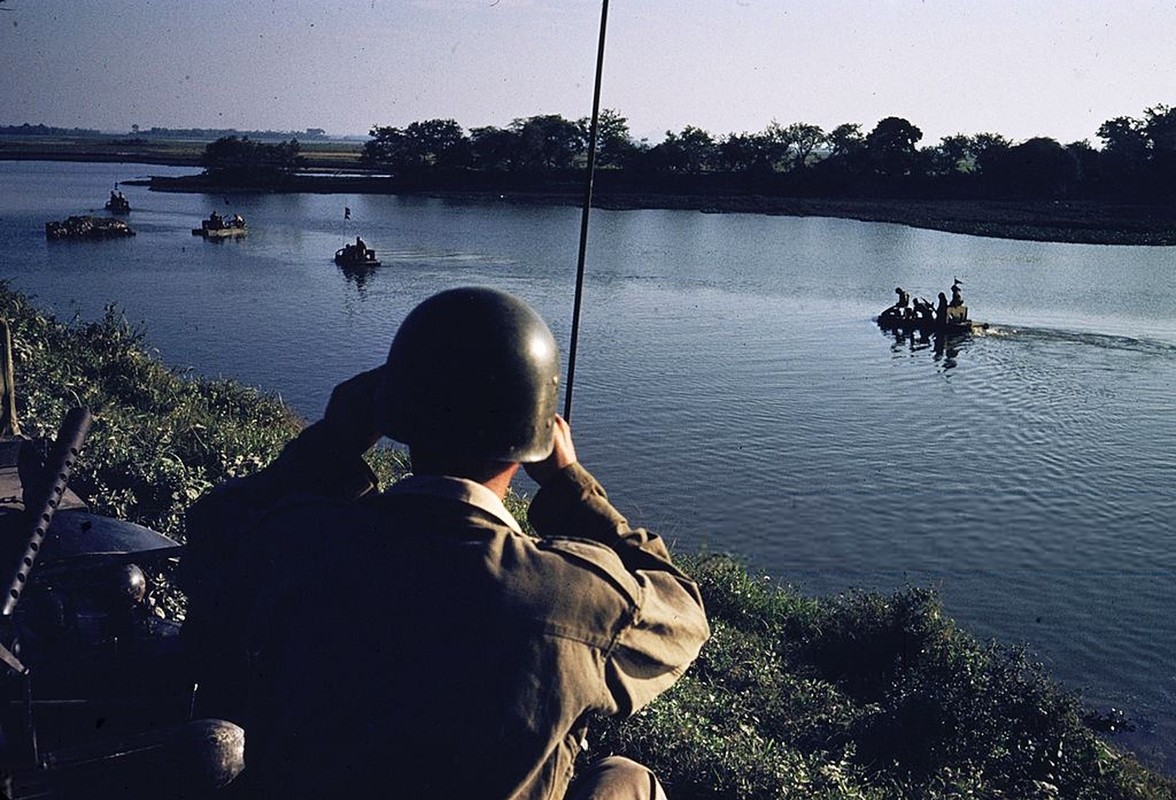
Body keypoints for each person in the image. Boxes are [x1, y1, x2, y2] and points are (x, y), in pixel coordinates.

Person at [181, 286, 710, 799]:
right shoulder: (577, 595)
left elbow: (210, 528)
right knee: (627, 779)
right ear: (539, 439)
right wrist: (569, 484)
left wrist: (334, 442)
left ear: (391, 413)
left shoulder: (296, 543)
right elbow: (684, 614)